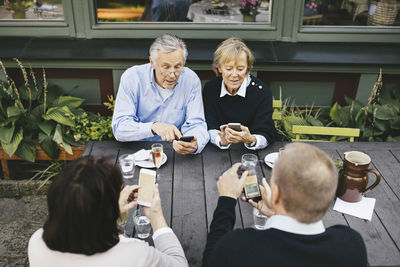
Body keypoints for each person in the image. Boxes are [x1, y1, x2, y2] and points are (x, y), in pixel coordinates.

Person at [203, 143, 367, 267]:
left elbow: (210, 260)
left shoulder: (238, 247)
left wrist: (227, 199)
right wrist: (278, 213)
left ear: (276, 194)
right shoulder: (352, 244)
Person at [28, 156, 188, 267]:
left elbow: (81, 226)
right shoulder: (135, 255)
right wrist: (156, 216)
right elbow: (179, 264)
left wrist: (110, 211)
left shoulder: (36, 242)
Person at [112, 34, 209, 155]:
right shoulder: (132, 77)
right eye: (166, 67)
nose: (172, 74)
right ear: (152, 62)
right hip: (136, 150)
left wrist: (195, 143)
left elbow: (197, 123)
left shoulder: (191, 80)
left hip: (173, 151)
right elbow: (120, 129)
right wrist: (153, 127)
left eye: (178, 66)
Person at [202, 37, 277, 150]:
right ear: (220, 68)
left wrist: (251, 139)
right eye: (228, 68)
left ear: (248, 69)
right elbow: (209, 124)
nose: (234, 74)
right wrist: (221, 140)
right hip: (217, 153)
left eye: (240, 69)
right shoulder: (210, 89)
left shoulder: (262, 92)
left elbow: (266, 131)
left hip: (252, 153)